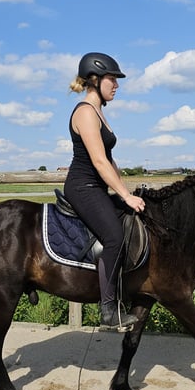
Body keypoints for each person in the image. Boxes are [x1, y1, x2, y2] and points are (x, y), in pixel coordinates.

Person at [63, 52, 146, 330]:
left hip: (96, 186)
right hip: (83, 187)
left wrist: (126, 189)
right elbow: (98, 162)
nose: (116, 85)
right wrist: (124, 195)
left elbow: (109, 159)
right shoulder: (85, 112)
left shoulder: (99, 112)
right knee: (114, 237)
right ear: (95, 79)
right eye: (112, 79)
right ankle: (109, 311)